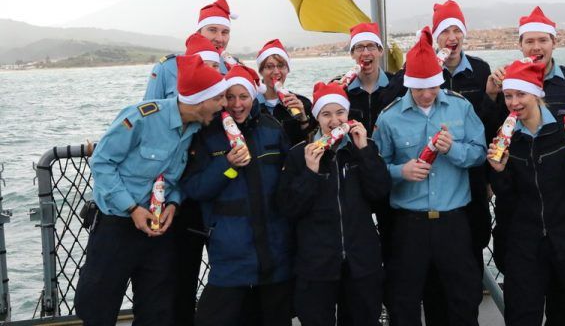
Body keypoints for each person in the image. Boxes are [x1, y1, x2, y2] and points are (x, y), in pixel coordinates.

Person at [74, 55, 228, 326]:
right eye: (219, 98)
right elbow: (101, 162)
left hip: (157, 231)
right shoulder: (142, 117)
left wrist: (173, 204)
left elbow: (177, 179)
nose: (224, 104)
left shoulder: (194, 129)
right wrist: (132, 208)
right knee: (98, 306)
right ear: (199, 100)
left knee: (157, 310)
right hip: (117, 226)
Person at [380, 1, 492, 326]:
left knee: (461, 301)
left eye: (432, 86)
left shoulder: (460, 108)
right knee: (404, 303)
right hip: (409, 225)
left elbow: (479, 152)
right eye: (418, 88)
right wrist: (402, 172)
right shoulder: (389, 120)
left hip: (453, 223)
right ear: (408, 84)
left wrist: (453, 149)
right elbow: (376, 170)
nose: (427, 94)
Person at [486, 6, 565, 325]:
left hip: (564, 212)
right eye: (529, 41)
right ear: (520, 45)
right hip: (519, 215)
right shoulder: (504, 84)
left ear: (553, 43)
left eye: (542, 40)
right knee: (524, 302)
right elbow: (491, 129)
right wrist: (490, 94)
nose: (536, 47)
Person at [182, 64, 293, 326]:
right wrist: (227, 166)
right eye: (229, 97)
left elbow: (290, 180)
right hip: (230, 252)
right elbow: (195, 188)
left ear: (253, 97)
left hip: (274, 248)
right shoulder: (208, 135)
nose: (236, 104)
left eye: (243, 97)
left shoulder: (271, 128)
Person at [278, 82, 390, 326]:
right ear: (317, 117)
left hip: (360, 262)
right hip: (317, 264)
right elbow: (289, 208)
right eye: (326, 114)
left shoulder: (363, 147)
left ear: (348, 115)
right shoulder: (299, 154)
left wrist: (365, 152)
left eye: (340, 113)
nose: (334, 120)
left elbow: (380, 192)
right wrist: (310, 173)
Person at [144, 0, 236, 100]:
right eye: (212, 30)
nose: (219, 39)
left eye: (225, 32)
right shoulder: (166, 68)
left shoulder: (233, 66)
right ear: (198, 33)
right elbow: (149, 112)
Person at [256, 39, 316, 145]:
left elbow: (313, 144)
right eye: (269, 67)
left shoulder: (303, 103)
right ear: (261, 71)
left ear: (287, 70)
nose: (276, 72)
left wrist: (303, 118)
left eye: (281, 66)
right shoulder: (250, 104)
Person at [343, 22, 393, 133]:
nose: (366, 53)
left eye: (371, 46)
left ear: (381, 51)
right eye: (359, 47)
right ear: (352, 54)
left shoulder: (395, 84)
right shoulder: (341, 88)